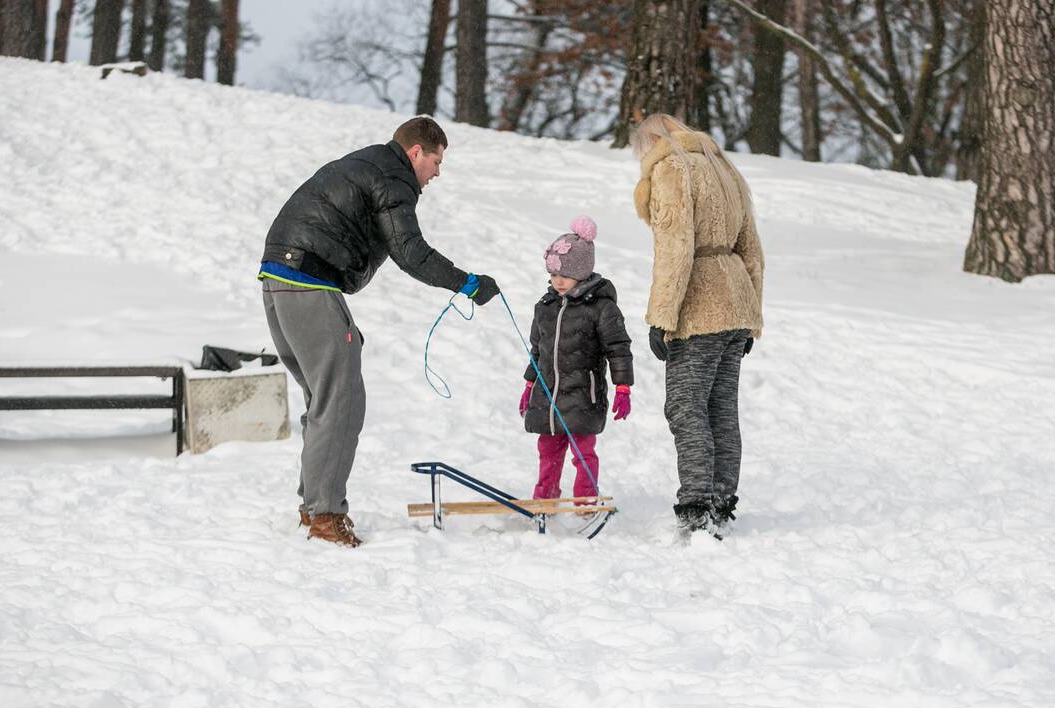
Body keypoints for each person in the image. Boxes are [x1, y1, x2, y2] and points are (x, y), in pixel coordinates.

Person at [259, 116, 500, 547]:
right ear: (415, 153)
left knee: (325, 399)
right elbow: (410, 251)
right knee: (343, 402)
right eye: (436, 161)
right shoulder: (394, 177)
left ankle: (313, 506)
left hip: (280, 279)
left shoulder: (368, 164)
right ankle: (325, 514)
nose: (437, 173)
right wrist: (467, 282)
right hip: (309, 283)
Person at [630, 113, 765, 539]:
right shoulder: (724, 166)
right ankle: (722, 500)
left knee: (686, 407)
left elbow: (676, 247)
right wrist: (752, 315)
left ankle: (696, 502)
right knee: (721, 409)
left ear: (653, 142)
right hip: (737, 303)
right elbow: (752, 248)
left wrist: (661, 317)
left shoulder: (674, 168)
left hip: (701, 306)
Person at [518, 216, 634, 502]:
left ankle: (586, 498)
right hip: (548, 397)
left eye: (565, 275)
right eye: (554, 274)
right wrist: (529, 385)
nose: (558, 281)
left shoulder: (601, 308)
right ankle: (545, 496)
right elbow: (537, 351)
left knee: (583, 451)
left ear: (582, 273)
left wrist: (623, 387)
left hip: (584, 395)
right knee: (548, 450)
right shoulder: (544, 307)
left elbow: (618, 348)